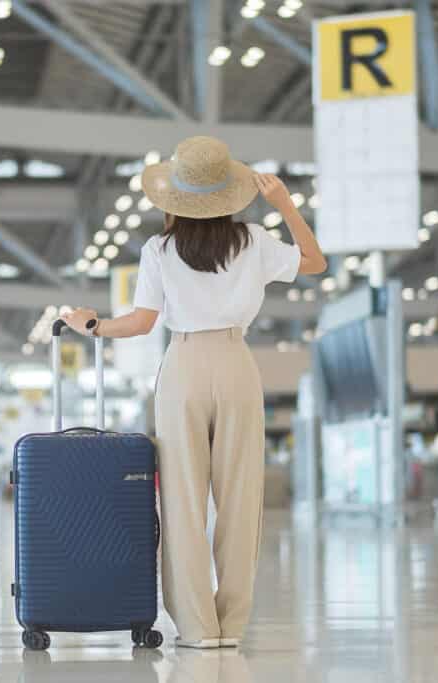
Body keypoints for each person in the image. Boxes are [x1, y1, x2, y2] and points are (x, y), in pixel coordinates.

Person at [63, 136, 326, 650]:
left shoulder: (159, 249)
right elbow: (314, 262)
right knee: (240, 499)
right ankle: (231, 625)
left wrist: (89, 324)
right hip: (236, 364)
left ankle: (198, 628)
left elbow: (140, 324)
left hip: (182, 365)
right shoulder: (253, 240)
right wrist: (286, 206)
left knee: (181, 501)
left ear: (175, 198)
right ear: (228, 193)